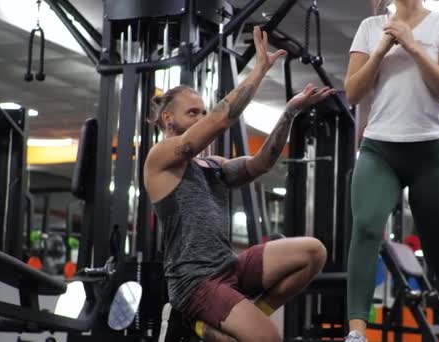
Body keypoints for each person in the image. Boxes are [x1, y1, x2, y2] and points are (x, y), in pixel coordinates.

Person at [143, 26, 335, 342]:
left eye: (203, 111)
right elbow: (221, 119)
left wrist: (289, 113)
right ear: (168, 119)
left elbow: (261, 164)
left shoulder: (212, 165)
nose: (201, 117)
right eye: (193, 113)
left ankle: (229, 324)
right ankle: (200, 322)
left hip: (228, 267)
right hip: (195, 281)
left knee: (313, 253)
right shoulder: (160, 158)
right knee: (269, 340)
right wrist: (259, 70)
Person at [344, 0, 439, 341]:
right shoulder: (370, 29)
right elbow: (353, 92)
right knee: (367, 226)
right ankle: (357, 332)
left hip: (430, 151)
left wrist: (413, 46)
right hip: (379, 147)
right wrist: (381, 51)